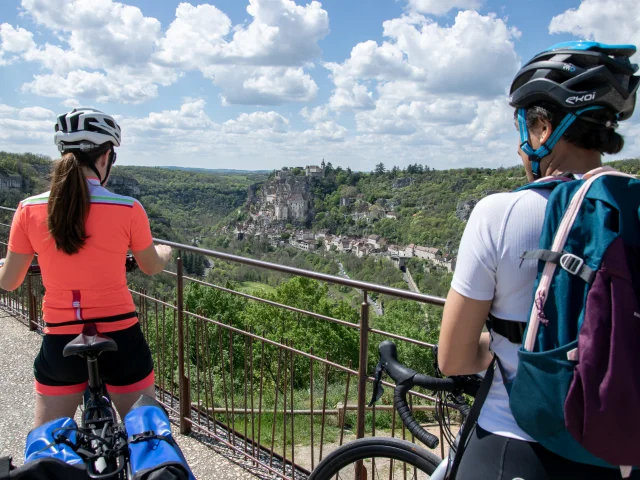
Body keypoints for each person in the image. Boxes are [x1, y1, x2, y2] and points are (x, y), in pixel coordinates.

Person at [437, 42, 639, 479]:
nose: (519, 145)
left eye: (524, 126)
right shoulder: (632, 211)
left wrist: (512, 345)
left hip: (519, 444)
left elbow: (452, 358)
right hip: (620, 450)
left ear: (544, 127)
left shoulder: (500, 213)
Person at [0, 108, 173, 427]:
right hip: (121, 336)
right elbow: (149, 266)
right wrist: (164, 251)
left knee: (49, 445)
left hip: (61, 340)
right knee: (147, 434)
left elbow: (10, 281)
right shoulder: (129, 209)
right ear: (106, 157)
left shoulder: (28, 210)